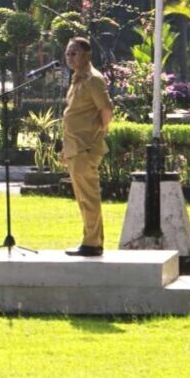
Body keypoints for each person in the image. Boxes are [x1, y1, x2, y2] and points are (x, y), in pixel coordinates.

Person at [62, 37, 113, 257]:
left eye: (74, 53)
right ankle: (90, 241)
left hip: (86, 148)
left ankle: (92, 243)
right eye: (68, 53)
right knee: (83, 198)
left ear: (87, 55)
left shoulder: (93, 80)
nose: (70, 57)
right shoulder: (76, 79)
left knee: (89, 197)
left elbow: (107, 111)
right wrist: (67, 149)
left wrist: (96, 137)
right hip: (74, 147)